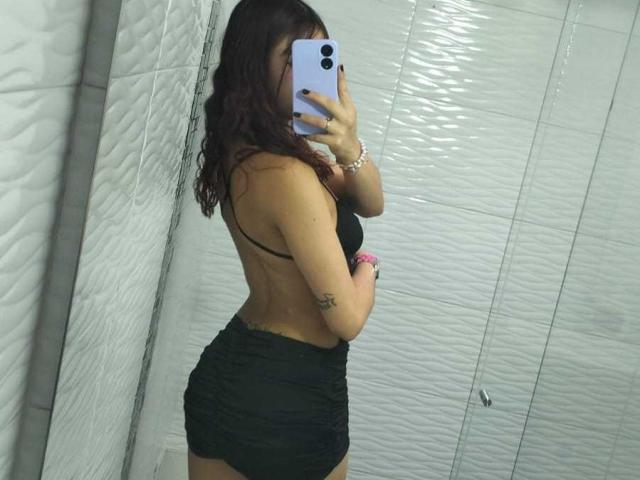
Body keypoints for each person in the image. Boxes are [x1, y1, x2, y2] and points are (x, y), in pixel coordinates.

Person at [184, 1, 382, 478]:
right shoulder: (288, 174)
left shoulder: (248, 153)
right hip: (292, 397)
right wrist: (368, 267)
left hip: (234, 377)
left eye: (322, 57)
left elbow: (370, 201)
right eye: (295, 60)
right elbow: (347, 318)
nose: (316, 75)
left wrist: (348, 144)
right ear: (255, 67)